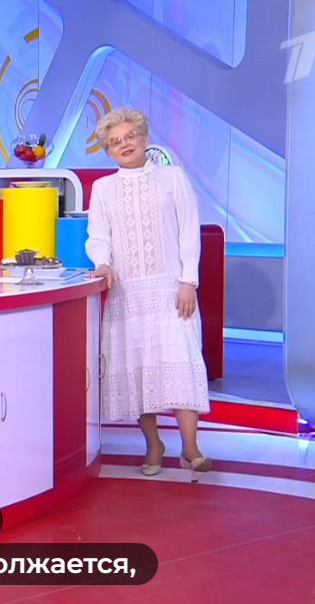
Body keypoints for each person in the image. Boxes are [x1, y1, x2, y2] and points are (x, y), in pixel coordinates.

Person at [83, 107, 211, 479]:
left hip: (172, 290)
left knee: (181, 363)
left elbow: (189, 230)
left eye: (130, 137)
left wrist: (188, 281)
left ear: (144, 138)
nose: (124, 145)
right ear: (107, 150)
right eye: (115, 142)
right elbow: (98, 235)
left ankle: (191, 448)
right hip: (127, 294)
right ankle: (154, 445)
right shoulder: (103, 188)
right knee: (139, 373)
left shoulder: (173, 177)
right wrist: (102, 263)